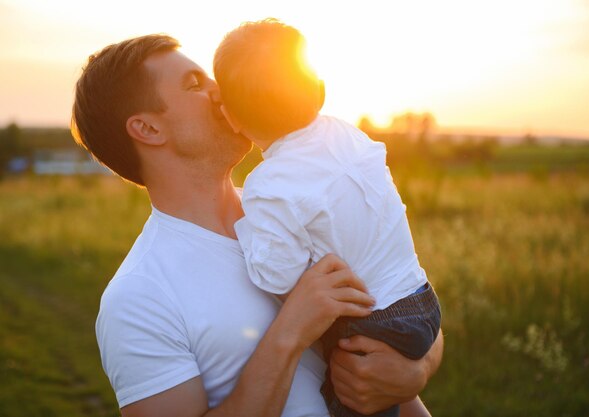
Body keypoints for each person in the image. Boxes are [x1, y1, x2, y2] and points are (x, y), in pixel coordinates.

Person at [71, 34, 443, 417]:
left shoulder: (305, 202)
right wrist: (291, 330)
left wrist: (415, 371)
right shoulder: (138, 297)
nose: (222, 92)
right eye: (196, 85)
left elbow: (407, 295)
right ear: (148, 129)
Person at [213, 20, 441, 417]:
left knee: (352, 401)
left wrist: (247, 227)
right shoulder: (349, 135)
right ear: (319, 90)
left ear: (233, 118)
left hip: (372, 321)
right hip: (421, 300)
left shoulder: (268, 184)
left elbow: (277, 276)